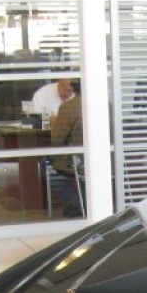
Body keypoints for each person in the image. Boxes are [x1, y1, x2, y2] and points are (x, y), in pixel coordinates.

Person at [49, 80, 84, 217]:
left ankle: (76, 202)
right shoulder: (107, 104)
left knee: (44, 163)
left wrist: (54, 123)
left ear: (74, 90)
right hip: (107, 159)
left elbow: (57, 139)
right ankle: (82, 200)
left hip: (78, 160)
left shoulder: (68, 107)